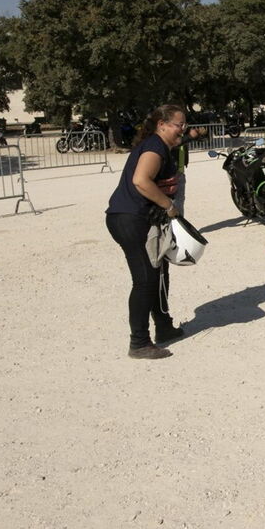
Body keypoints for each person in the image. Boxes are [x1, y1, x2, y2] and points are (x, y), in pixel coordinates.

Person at [105, 104, 187, 360]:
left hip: (141, 219)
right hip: (129, 220)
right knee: (145, 280)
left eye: (185, 124)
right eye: (178, 124)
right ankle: (139, 342)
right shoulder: (154, 147)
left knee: (160, 271)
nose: (183, 129)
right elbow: (141, 180)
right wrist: (169, 205)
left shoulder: (162, 146)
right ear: (162, 125)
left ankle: (163, 326)